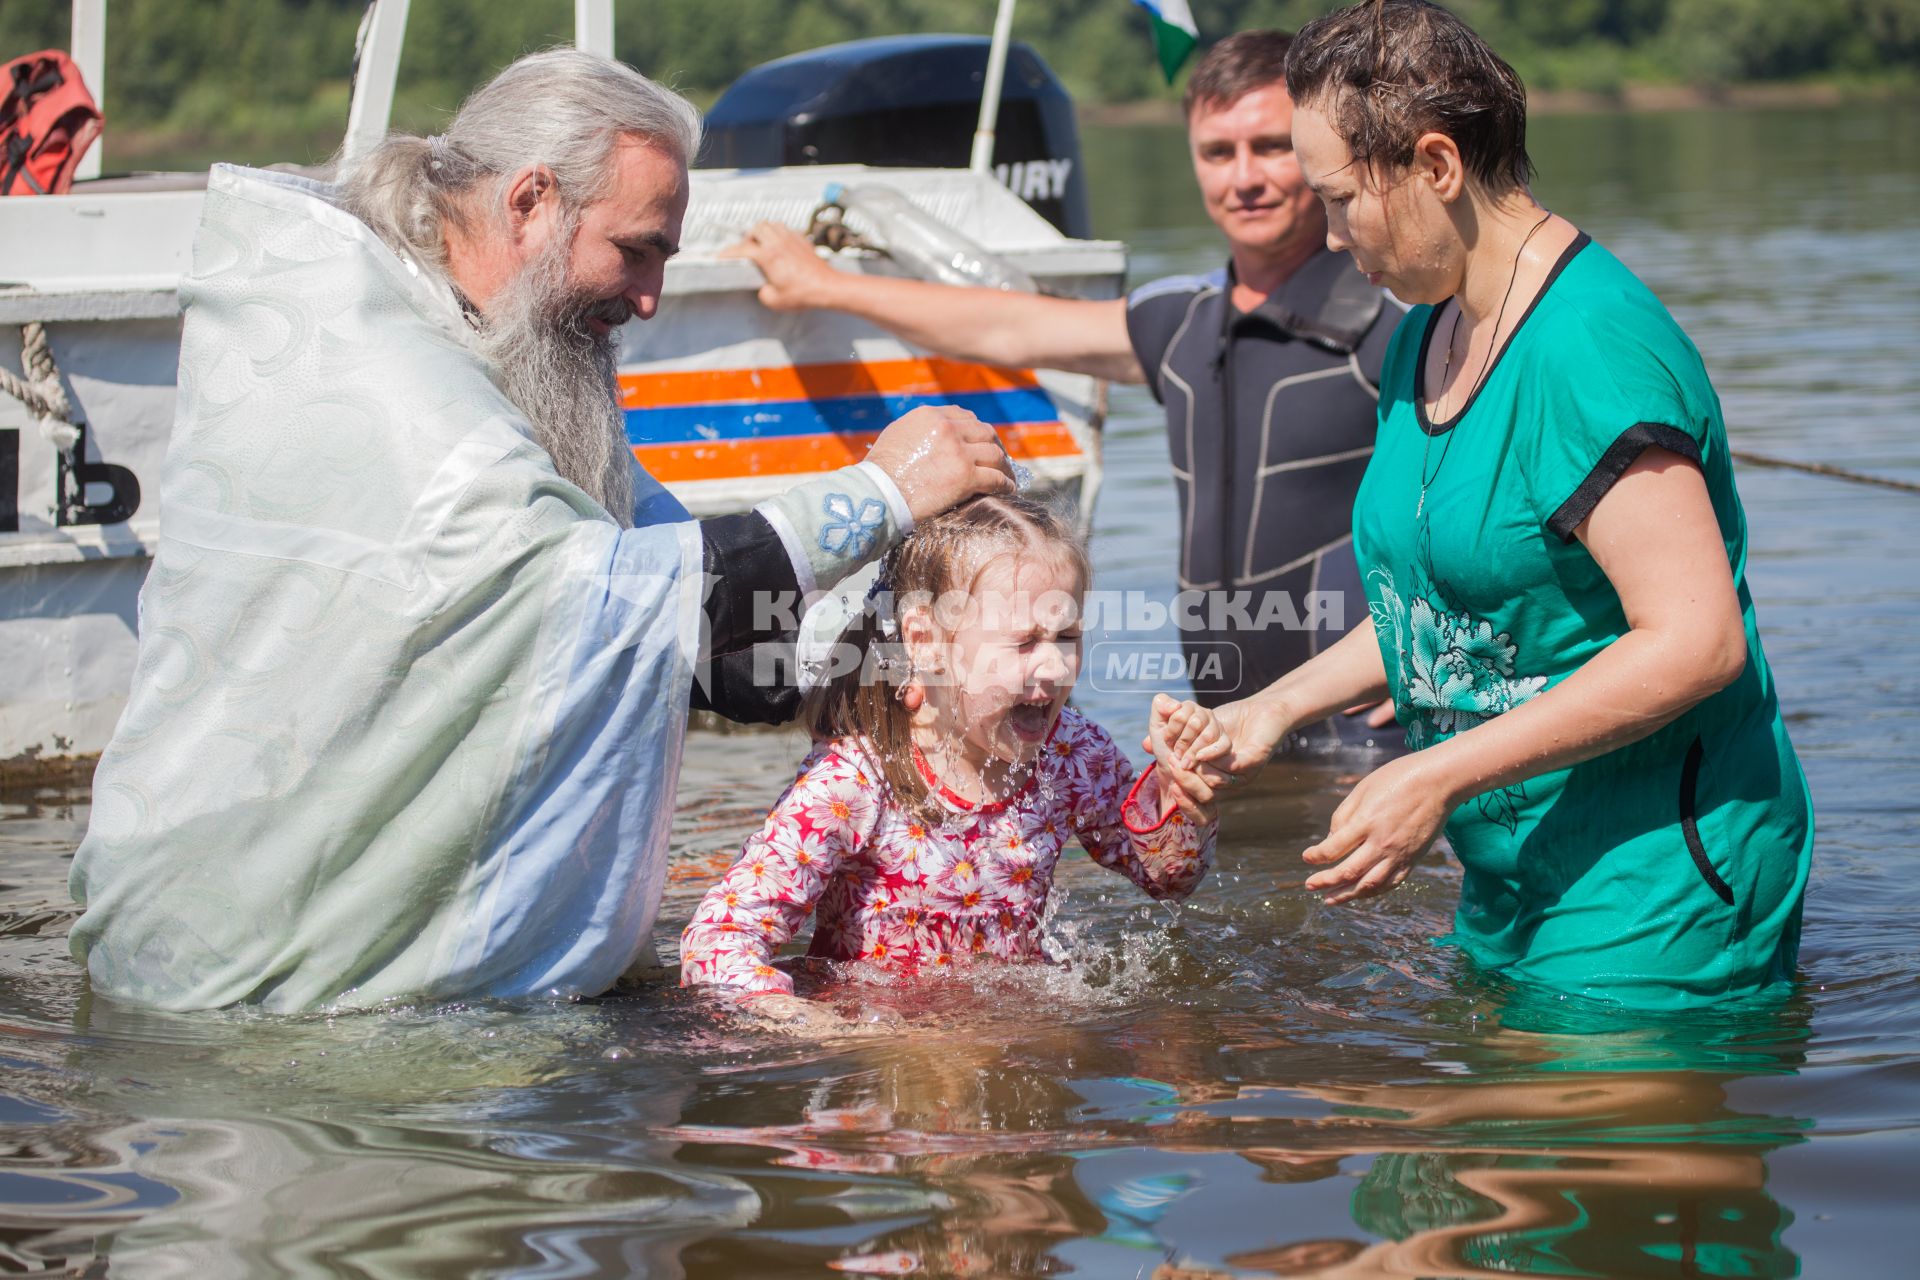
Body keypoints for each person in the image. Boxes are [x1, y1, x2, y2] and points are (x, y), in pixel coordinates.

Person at [65, 51, 1015, 1013]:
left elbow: (706, 637)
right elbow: (596, 594)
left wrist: (922, 663)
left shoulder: (486, 343)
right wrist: (879, 493)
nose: (647, 298)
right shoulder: (385, 377)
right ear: (529, 201)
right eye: (634, 249)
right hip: (247, 991)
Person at [1152, 0, 1814, 1010]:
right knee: (1438, 1165)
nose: (1327, 233)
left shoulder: (1591, 352)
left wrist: (1436, 774)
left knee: (1538, 1157)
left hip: (1657, 883)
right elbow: (1446, 600)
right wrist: (1269, 708)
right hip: (1513, 870)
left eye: (1340, 200)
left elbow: (1697, 639)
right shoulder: (1432, 326)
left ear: (1435, 167)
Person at [725, 30, 1402, 747]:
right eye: (1217, 152)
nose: (1244, 179)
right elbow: (1010, 330)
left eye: (1270, 147)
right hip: (1229, 730)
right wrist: (827, 287)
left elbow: (1486, 505)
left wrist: (1425, 644)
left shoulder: (1390, 324)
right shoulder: (1180, 321)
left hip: (1368, 727)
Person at [679, 494, 1224, 1027]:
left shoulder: (1071, 753)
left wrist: (1177, 799)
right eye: (1025, 642)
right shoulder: (857, 783)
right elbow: (719, 943)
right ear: (925, 641)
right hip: (885, 1060)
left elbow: (1167, 879)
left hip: (1017, 1033)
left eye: (1068, 636)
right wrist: (821, 1029)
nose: (1055, 665)